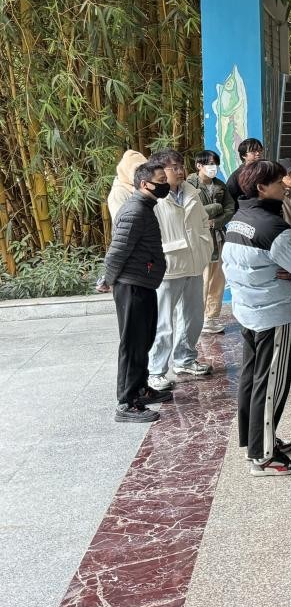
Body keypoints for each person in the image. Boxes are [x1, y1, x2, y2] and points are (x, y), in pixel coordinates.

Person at [222, 160, 291, 476]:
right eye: (278, 182)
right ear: (261, 188)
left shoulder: (238, 219)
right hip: (273, 313)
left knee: (252, 377)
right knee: (271, 382)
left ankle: (255, 439)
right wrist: (290, 274)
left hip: (246, 309)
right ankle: (264, 456)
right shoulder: (274, 229)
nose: (285, 185)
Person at [99, 159, 173, 423]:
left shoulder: (145, 207)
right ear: (144, 184)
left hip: (143, 283)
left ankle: (141, 389)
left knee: (143, 339)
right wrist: (107, 279)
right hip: (131, 285)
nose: (166, 185)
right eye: (161, 181)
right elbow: (117, 251)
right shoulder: (134, 211)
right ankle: (126, 403)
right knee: (132, 344)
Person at [147, 149, 214, 391]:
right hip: (169, 266)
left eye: (181, 166)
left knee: (193, 316)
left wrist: (205, 245)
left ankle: (185, 360)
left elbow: (203, 222)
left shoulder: (191, 191)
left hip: (194, 262)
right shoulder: (154, 197)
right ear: (159, 171)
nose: (180, 171)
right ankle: (156, 371)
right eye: (173, 167)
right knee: (163, 322)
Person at [190, 150, 235, 335]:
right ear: (199, 165)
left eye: (215, 163)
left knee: (217, 278)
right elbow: (191, 210)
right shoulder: (189, 185)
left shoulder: (220, 185)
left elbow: (230, 208)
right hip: (198, 238)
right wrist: (216, 207)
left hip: (218, 237)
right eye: (209, 163)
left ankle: (212, 317)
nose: (213, 167)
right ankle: (197, 318)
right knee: (202, 279)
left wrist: (216, 222)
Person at [107, 149, 148, 221]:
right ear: (126, 171)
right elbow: (122, 222)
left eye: (145, 169)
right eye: (137, 170)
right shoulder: (118, 193)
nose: (142, 174)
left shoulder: (143, 186)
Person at [225, 137, 264, 202]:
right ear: (243, 155)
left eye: (260, 150)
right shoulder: (237, 176)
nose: (258, 153)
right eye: (253, 151)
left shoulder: (267, 169)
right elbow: (229, 199)